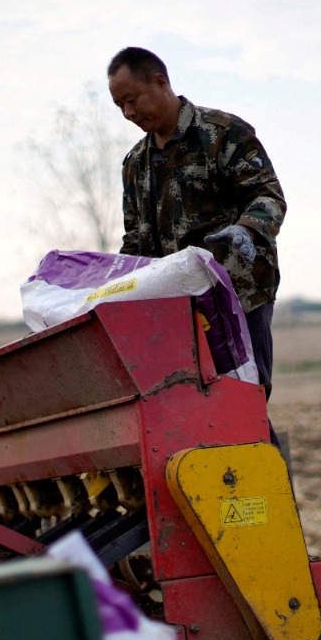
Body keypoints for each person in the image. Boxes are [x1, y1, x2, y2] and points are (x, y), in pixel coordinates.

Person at [105, 46, 286, 411]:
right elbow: (134, 240)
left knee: (242, 408)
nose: (129, 113)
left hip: (235, 297)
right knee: (190, 414)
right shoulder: (135, 164)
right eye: (120, 106)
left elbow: (267, 196)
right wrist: (113, 289)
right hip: (172, 310)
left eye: (132, 100)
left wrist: (247, 231)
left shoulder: (222, 134)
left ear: (160, 82)